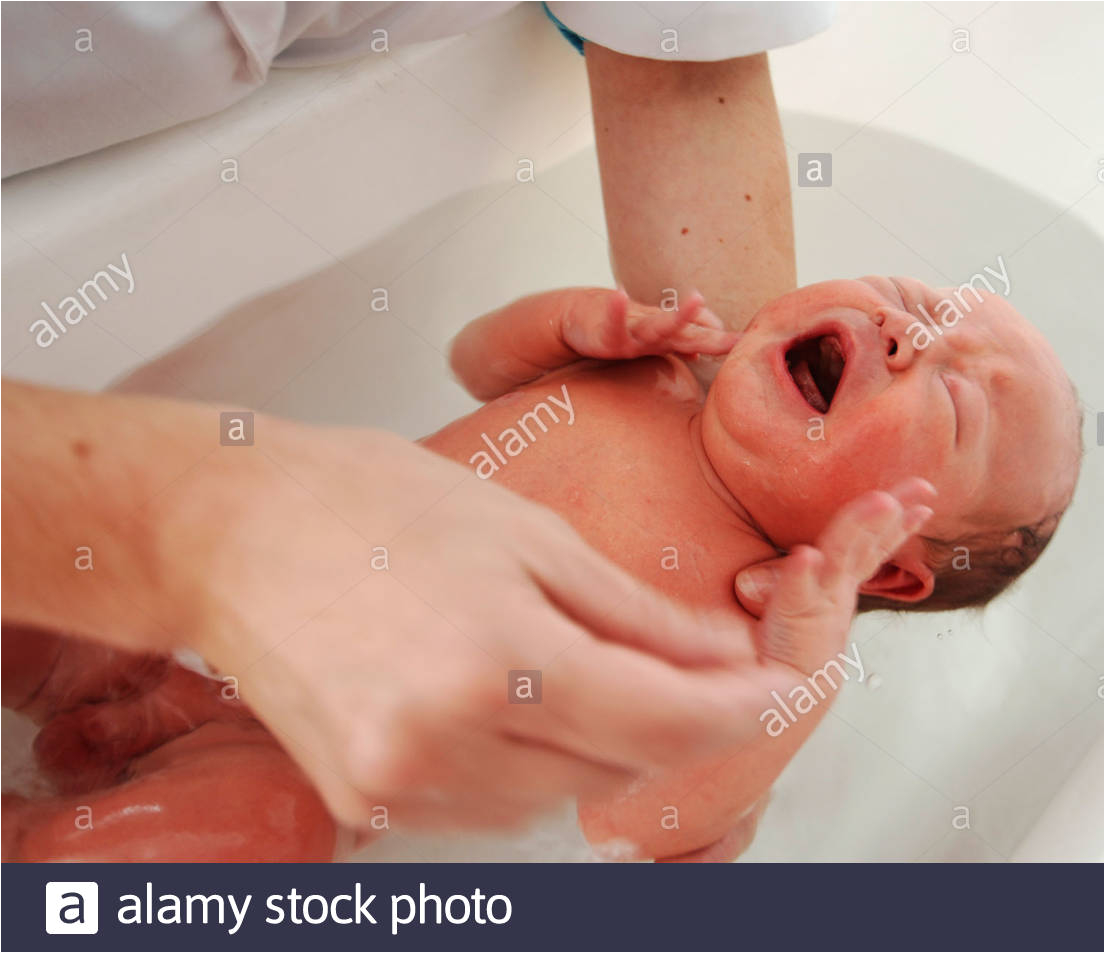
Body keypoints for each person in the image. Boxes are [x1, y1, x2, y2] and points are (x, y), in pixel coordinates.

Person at [1, 2, 846, 858]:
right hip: (184, 614)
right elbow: (477, 362)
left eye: (955, 397)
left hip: (298, 759)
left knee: (245, 835)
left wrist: (752, 738)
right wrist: (569, 326)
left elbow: (626, 833)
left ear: (897, 571)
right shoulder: (652, 377)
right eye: (916, 307)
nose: (908, 332)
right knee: (42, 608)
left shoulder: (772, 633)